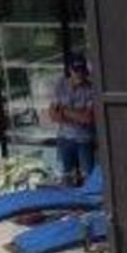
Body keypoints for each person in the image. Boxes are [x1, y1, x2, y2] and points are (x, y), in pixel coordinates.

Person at [48, 52, 99, 184]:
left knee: (88, 177)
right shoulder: (60, 85)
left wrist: (64, 110)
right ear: (70, 70)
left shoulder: (91, 89)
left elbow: (87, 118)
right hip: (64, 138)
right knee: (67, 177)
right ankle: (70, 204)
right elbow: (53, 115)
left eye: (82, 70)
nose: (80, 74)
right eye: (76, 70)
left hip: (84, 139)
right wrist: (76, 114)